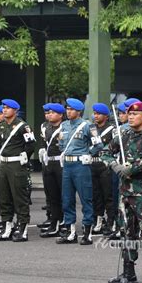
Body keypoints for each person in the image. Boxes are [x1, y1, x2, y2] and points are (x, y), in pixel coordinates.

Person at [103, 101, 142, 283]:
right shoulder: (123, 134)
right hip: (125, 191)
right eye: (129, 114)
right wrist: (116, 166)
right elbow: (106, 152)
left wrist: (131, 170)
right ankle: (129, 272)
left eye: (135, 114)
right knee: (126, 231)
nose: (130, 117)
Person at [56, 98, 103, 245]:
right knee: (67, 199)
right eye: (67, 109)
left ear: (79, 111)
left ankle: (87, 233)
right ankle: (71, 232)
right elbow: (61, 144)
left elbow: (98, 144)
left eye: (71, 110)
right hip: (67, 165)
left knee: (86, 198)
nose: (68, 112)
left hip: (81, 165)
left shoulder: (87, 125)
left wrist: (88, 153)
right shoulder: (63, 125)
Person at [0, 99, 36, 242]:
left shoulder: (23, 126)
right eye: (3, 108)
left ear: (15, 110)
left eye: (7, 108)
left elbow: (30, 144)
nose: (4, 110)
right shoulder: (1, 127)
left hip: (16, 165)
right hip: (3, 165)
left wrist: (25, 157)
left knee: (19, 197)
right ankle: (7, 228)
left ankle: (23, 229)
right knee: (3, 197)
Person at [39, 103, 66, 238]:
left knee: (64, 195)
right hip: (49, 162)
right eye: (48, 112)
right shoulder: (46, 128)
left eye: (53, 113)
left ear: (60, 115)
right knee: (52, 195)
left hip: (61, 163)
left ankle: (64, 222)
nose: (49, 115)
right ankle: (54, 222)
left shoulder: (65, 127)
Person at [90, 103, 115, 235]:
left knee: (108, 195)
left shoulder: (111, 129)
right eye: (94, 113)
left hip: (105, 165)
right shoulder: (91, 128)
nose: (96, 116)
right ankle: (98, 220)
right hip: (92, 164)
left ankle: (111, 221)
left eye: (98, 114)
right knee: (95, 195)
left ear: (106, 116)